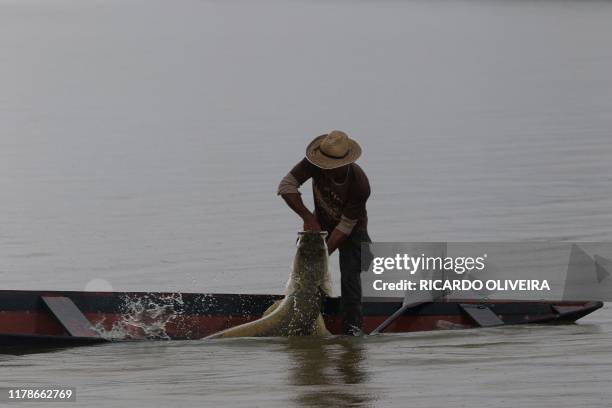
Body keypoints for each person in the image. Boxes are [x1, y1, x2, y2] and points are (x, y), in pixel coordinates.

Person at [277, 130, 372, 335]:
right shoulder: (314, 162)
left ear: (346, 163)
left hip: (353, 231)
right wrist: (308, 218)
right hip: (320, 221)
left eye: (333, 168)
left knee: (350, 280)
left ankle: (352, 332)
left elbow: (346, 226)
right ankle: (304, 320)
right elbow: (286, 186)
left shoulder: (359, 183)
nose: (327, 170)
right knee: (305, 277)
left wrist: (323, 253)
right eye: (324, 166)